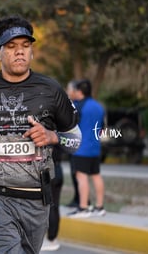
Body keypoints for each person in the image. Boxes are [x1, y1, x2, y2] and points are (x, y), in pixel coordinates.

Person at [0, 15, 81, 253]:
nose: (19, 52)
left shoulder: (51, 90)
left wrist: (52, 137)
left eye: (25, 46)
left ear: (32, 51)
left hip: (37, 201)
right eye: (11, 47)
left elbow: (75, 141)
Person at [67, 79, 106, 218]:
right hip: (95, 147)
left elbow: (70, 125)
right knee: (96, 175)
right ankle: (100, 207)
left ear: (79, 92)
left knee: (81, 177)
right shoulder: (98, 106)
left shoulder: (77, 106)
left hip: (81, 148)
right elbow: (101, 127)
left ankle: (83, 208)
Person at [41, 145, 63, 251]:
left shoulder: (47, 134)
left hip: (49, 171)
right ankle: (53, 238)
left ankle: (50, 239)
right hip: (59, 169)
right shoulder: (58, 134)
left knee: (49, 205)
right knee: (55, 205)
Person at [65, 80, 80, 208]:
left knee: (77, 174)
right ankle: (78, 198)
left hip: (77, 145)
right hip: (76, 145)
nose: (67, 92)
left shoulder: (76, 106)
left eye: (69, 89)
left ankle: (80, 200)